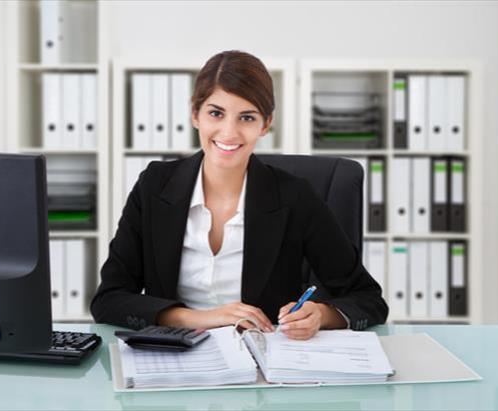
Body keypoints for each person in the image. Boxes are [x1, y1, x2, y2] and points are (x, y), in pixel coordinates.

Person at [91, 50, 388, 340]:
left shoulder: (295, 196)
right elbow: (109, 299)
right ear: (196, 115)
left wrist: (322, 315)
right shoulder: (155, 185)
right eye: (216, 113)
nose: (229, 132)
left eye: (246, 117)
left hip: (262, 365)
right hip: (175, 357)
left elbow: (368, 299)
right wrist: (200, 318)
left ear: (266, 124)